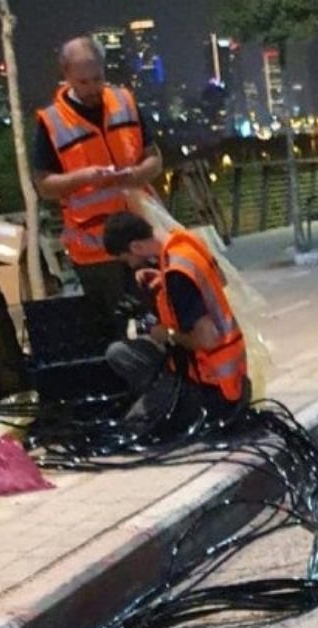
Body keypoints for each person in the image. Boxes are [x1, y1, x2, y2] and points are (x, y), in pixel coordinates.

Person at [34, 36, 163, 341]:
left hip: (142, 240)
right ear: (66, 75)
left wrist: (135, 174)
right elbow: (44, 186)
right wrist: (86, 177)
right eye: (83, 81)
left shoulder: (125, 102)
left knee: (159, 324)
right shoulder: (51, 122)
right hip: (96, 253)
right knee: (113, 335)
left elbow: (155, 159)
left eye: (98, 78)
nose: (92, 88)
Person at [101, 211, 248, 433]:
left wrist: (166, 333)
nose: (131, 266)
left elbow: (208, 339)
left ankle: (172, 404)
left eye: (128, 259)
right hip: (233, 380)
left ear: (136, 247)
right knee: (119, 352)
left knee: (131, 428)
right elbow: (216, 283)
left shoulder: (177, 275)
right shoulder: (186, 245)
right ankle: (165, 395)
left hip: (212, 389)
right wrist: (163, 282)